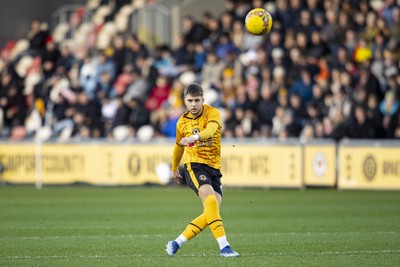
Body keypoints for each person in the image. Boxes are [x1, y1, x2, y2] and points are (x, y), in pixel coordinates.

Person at [165, 83, 239, 257]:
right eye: (190, 100)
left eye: (197, 100)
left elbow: (211, 130)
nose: (194, 104)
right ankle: (224, 247)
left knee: (211, 212)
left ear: (203, 100)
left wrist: (194, 137)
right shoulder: (181, 122)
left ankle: (177, 242)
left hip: (214, 167)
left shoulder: (213, 112)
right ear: (184, 101)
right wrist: (175, 168)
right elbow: (178, 147)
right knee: (211, 201)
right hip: (194, 165)